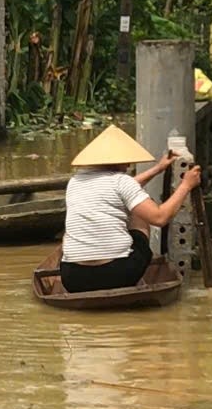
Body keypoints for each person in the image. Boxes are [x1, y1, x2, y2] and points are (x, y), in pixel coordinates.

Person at [60, 124, 202, 294]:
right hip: (118, 275)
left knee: (129, 202)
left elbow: (123, 189)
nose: (128, 165)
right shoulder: (121, 182)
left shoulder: (75, 182)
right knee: (141, 207)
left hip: (72, 278)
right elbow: (159, 218)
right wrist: (186, 185)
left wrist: (158, 169)